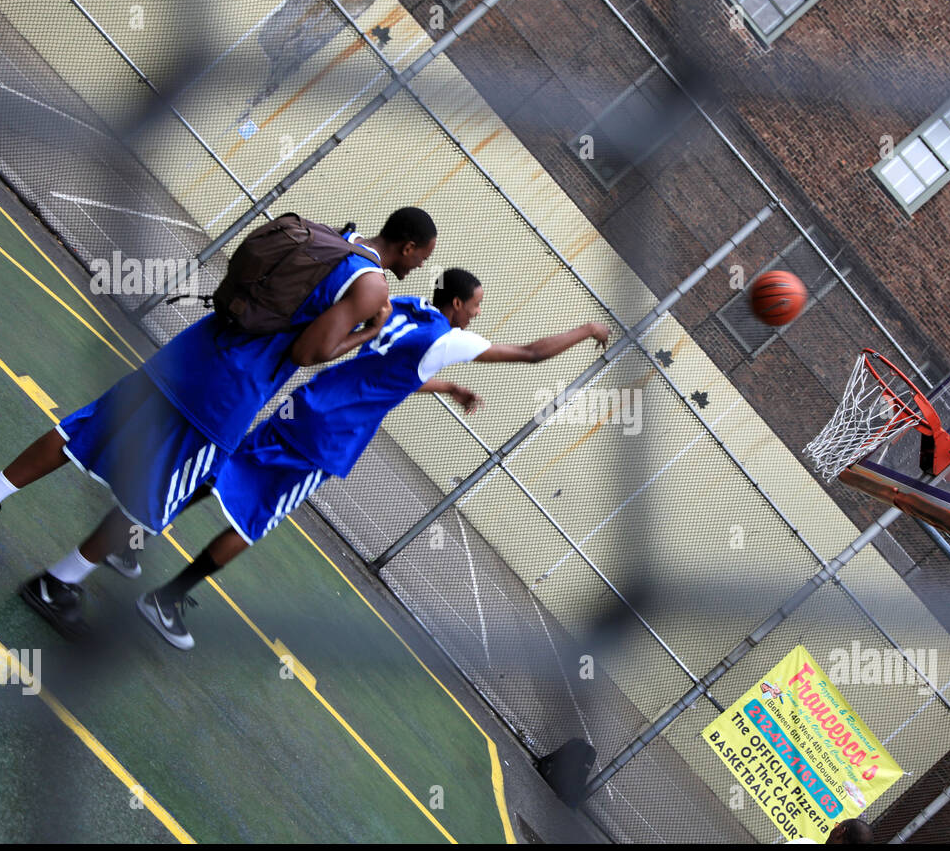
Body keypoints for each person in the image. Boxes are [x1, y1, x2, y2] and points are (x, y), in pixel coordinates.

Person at [0, 208, 437, 640]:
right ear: (407, 246)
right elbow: (309, 352)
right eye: (423, 255)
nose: (423, 265)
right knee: (159, 497)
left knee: (82, 429)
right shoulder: (371, 285)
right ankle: (56, 584)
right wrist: (368, 331)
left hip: (193, 351)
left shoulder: (328, 238)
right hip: (226, 393)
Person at [136, 268, 610, 649]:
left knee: (221, 471)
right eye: (478, 304)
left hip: (306, 403)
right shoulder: (448, 338)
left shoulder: (401, 308)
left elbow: (388, 370)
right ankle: (167, 598)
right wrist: (587, 328)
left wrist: (445, 386)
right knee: (255, 519)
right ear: (458, 304)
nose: (479, 313)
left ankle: (130, 535)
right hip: (331, 436)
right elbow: (529, 353)